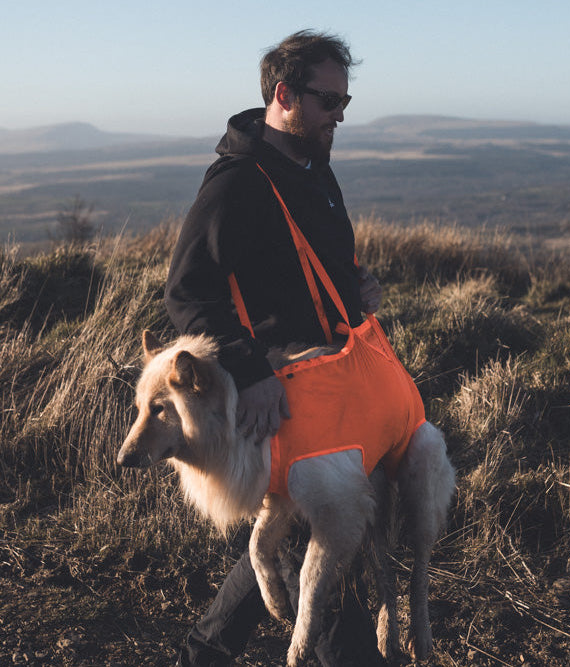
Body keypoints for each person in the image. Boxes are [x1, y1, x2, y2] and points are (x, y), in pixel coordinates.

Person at [164, 30, 387, 666]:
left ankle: (205, 653)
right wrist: (249, 369)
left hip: (328, 380)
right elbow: (187, 293)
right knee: (326, 544)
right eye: (327, 102)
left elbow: (300, 268)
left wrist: (356, 286)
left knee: (297, 531)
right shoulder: (238, 183)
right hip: (280, 394)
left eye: (345, 102)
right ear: (283, 95)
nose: (339, 117)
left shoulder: (312, 166)